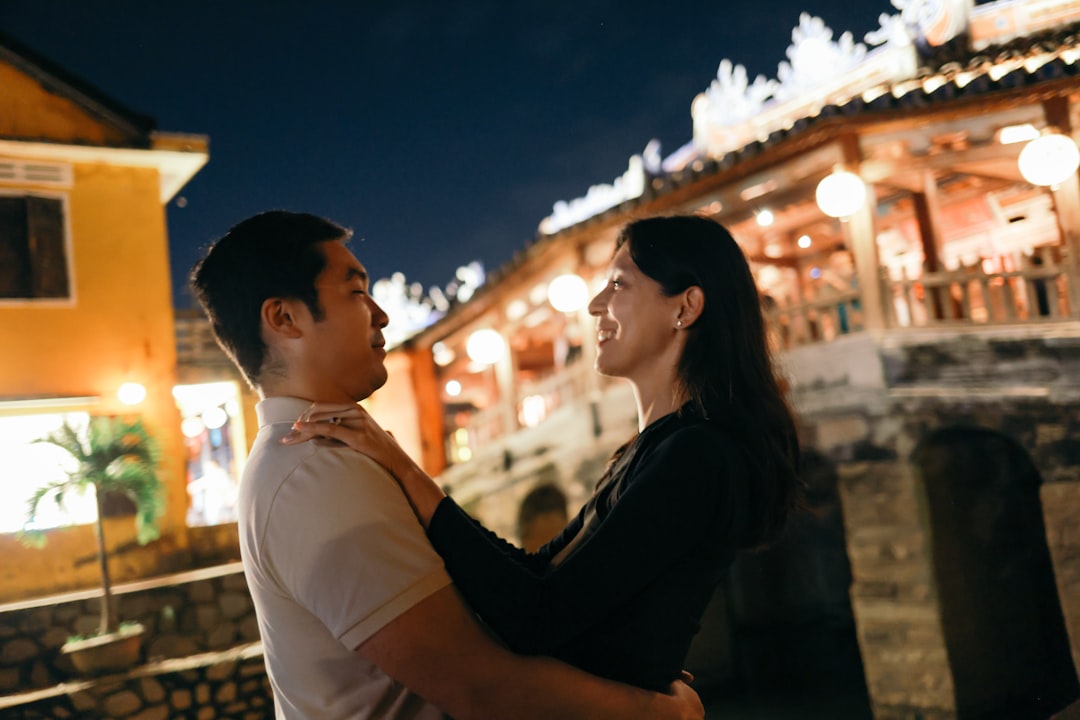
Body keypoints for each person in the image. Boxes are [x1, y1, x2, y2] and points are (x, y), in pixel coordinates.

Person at [189, 210, 703, 720]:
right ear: (284, 318)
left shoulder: (324, 457)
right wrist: (658, 712)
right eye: (354, 292)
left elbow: (531, 593)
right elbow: (480, 686)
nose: (380, 314)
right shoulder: (316, 474)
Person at [288, 214, 803, 693]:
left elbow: (539, 617)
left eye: (620, 284)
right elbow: (537, 573)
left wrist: (401, 467)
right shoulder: (653, 449)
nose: (596, 304)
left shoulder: (696, 455)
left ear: (685, 308)